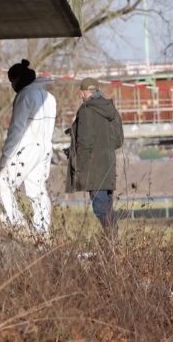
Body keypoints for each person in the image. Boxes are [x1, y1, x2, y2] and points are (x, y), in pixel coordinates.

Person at [0, 59, 57, 236]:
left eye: (12, 81)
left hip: (27, 148)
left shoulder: (24, 96)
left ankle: (17, 225)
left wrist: (6, 156)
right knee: (37, 191)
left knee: (2, 184)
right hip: (45, 148)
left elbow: (16, 129)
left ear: (18, 79)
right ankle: (42, 232)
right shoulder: (49, 97)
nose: (12, 85)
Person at [66, 77, 124, 234]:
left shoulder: (86, 110)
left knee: (100, 208)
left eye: (81, 92)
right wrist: (104, 148)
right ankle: (112, 244)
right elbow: (118, 141)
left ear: (84, 92)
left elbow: (84, 143)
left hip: (93, 168)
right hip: (108, 166)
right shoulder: (111, 109)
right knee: (106, 207)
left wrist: (77, 165)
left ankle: (112, 240)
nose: (80, 95)